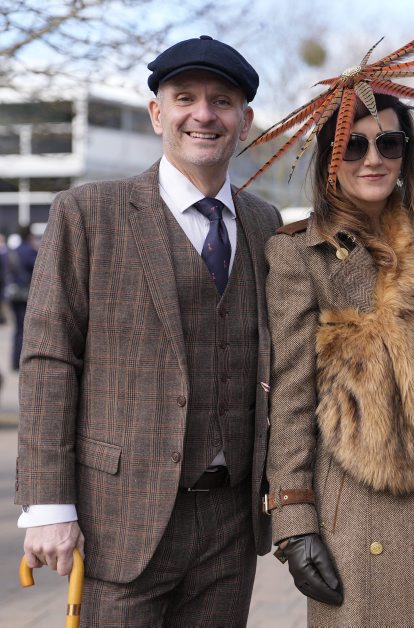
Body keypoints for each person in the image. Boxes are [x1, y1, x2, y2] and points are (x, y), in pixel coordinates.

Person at [14, 35, 281, 625]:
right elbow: (50, 358)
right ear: (158, 113)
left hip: (231, 523)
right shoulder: (88, 213)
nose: (204, 114)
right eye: (185, 98)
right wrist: (48, 504)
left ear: (244, 121)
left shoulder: (266, 223)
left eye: (222, 101)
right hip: (119, 517)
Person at [264, 91, 414, 625]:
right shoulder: (298, 252)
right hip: (356, 504)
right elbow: (290, 395)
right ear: (330, 159)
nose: (373, 159)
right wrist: (294, 521)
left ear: (407, 153)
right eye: (353, 146)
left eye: (389, 143)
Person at [7, 224, 38, 369]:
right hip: (26, 294)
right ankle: (23, 361)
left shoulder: (13, 251)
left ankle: (14, 361)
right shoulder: (30, 251)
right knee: (26, 329)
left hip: (14, 294)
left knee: (17, 329)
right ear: (29, 235)